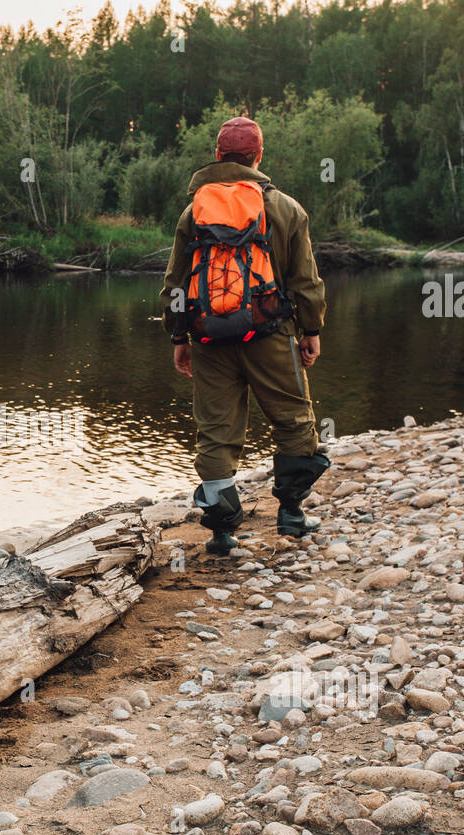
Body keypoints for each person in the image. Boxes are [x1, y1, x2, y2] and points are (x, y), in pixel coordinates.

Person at [159, 116, 330, 555]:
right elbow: (305, 281)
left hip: (209, 340)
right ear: (258, 156)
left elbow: (176, 286)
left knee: (215, 432)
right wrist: (311, 330)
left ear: (218, 155)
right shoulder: (286, 208)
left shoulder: (192, 211)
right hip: (271, 335)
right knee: (293, 420)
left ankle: (222, 532)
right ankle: (291, 515)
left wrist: (179, 337)